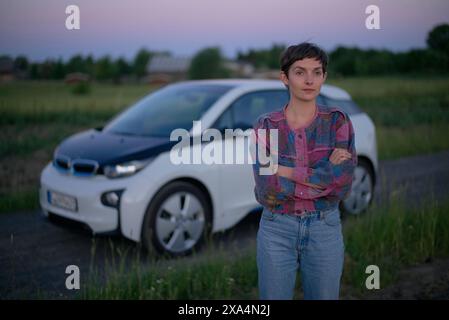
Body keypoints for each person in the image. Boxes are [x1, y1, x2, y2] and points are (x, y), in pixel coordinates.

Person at [251, 42, 357, 300]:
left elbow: (341, 184)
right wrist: (323, 176)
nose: (309, 80)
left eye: (316, 72)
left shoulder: (337, 122)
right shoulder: (266, 125)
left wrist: (284, 170)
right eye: (300, 72)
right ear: (284, 78)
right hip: (277, 228)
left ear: (324, 77)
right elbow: (269, 189)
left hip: (325, 227)